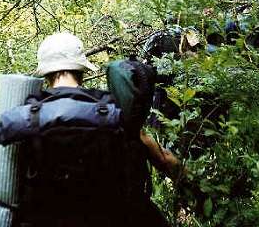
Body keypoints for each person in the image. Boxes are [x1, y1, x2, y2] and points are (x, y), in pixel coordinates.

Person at [19, 32, 181, 226]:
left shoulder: (26, 118)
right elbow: (164, 160)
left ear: (45, 75)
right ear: (82, 71)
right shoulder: (110, 112)